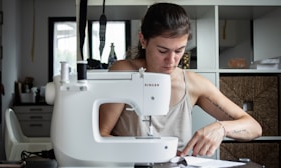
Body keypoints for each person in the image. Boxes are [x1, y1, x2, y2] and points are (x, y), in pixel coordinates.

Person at [99, 2, 262, 157]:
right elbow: (101, 135)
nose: (171, 61)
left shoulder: (194, 84)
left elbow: (254, 127)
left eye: (179, 51)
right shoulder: (123, 72)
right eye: (162, 51)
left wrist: (222, 128)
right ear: (143, 40)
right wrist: (148, 151)